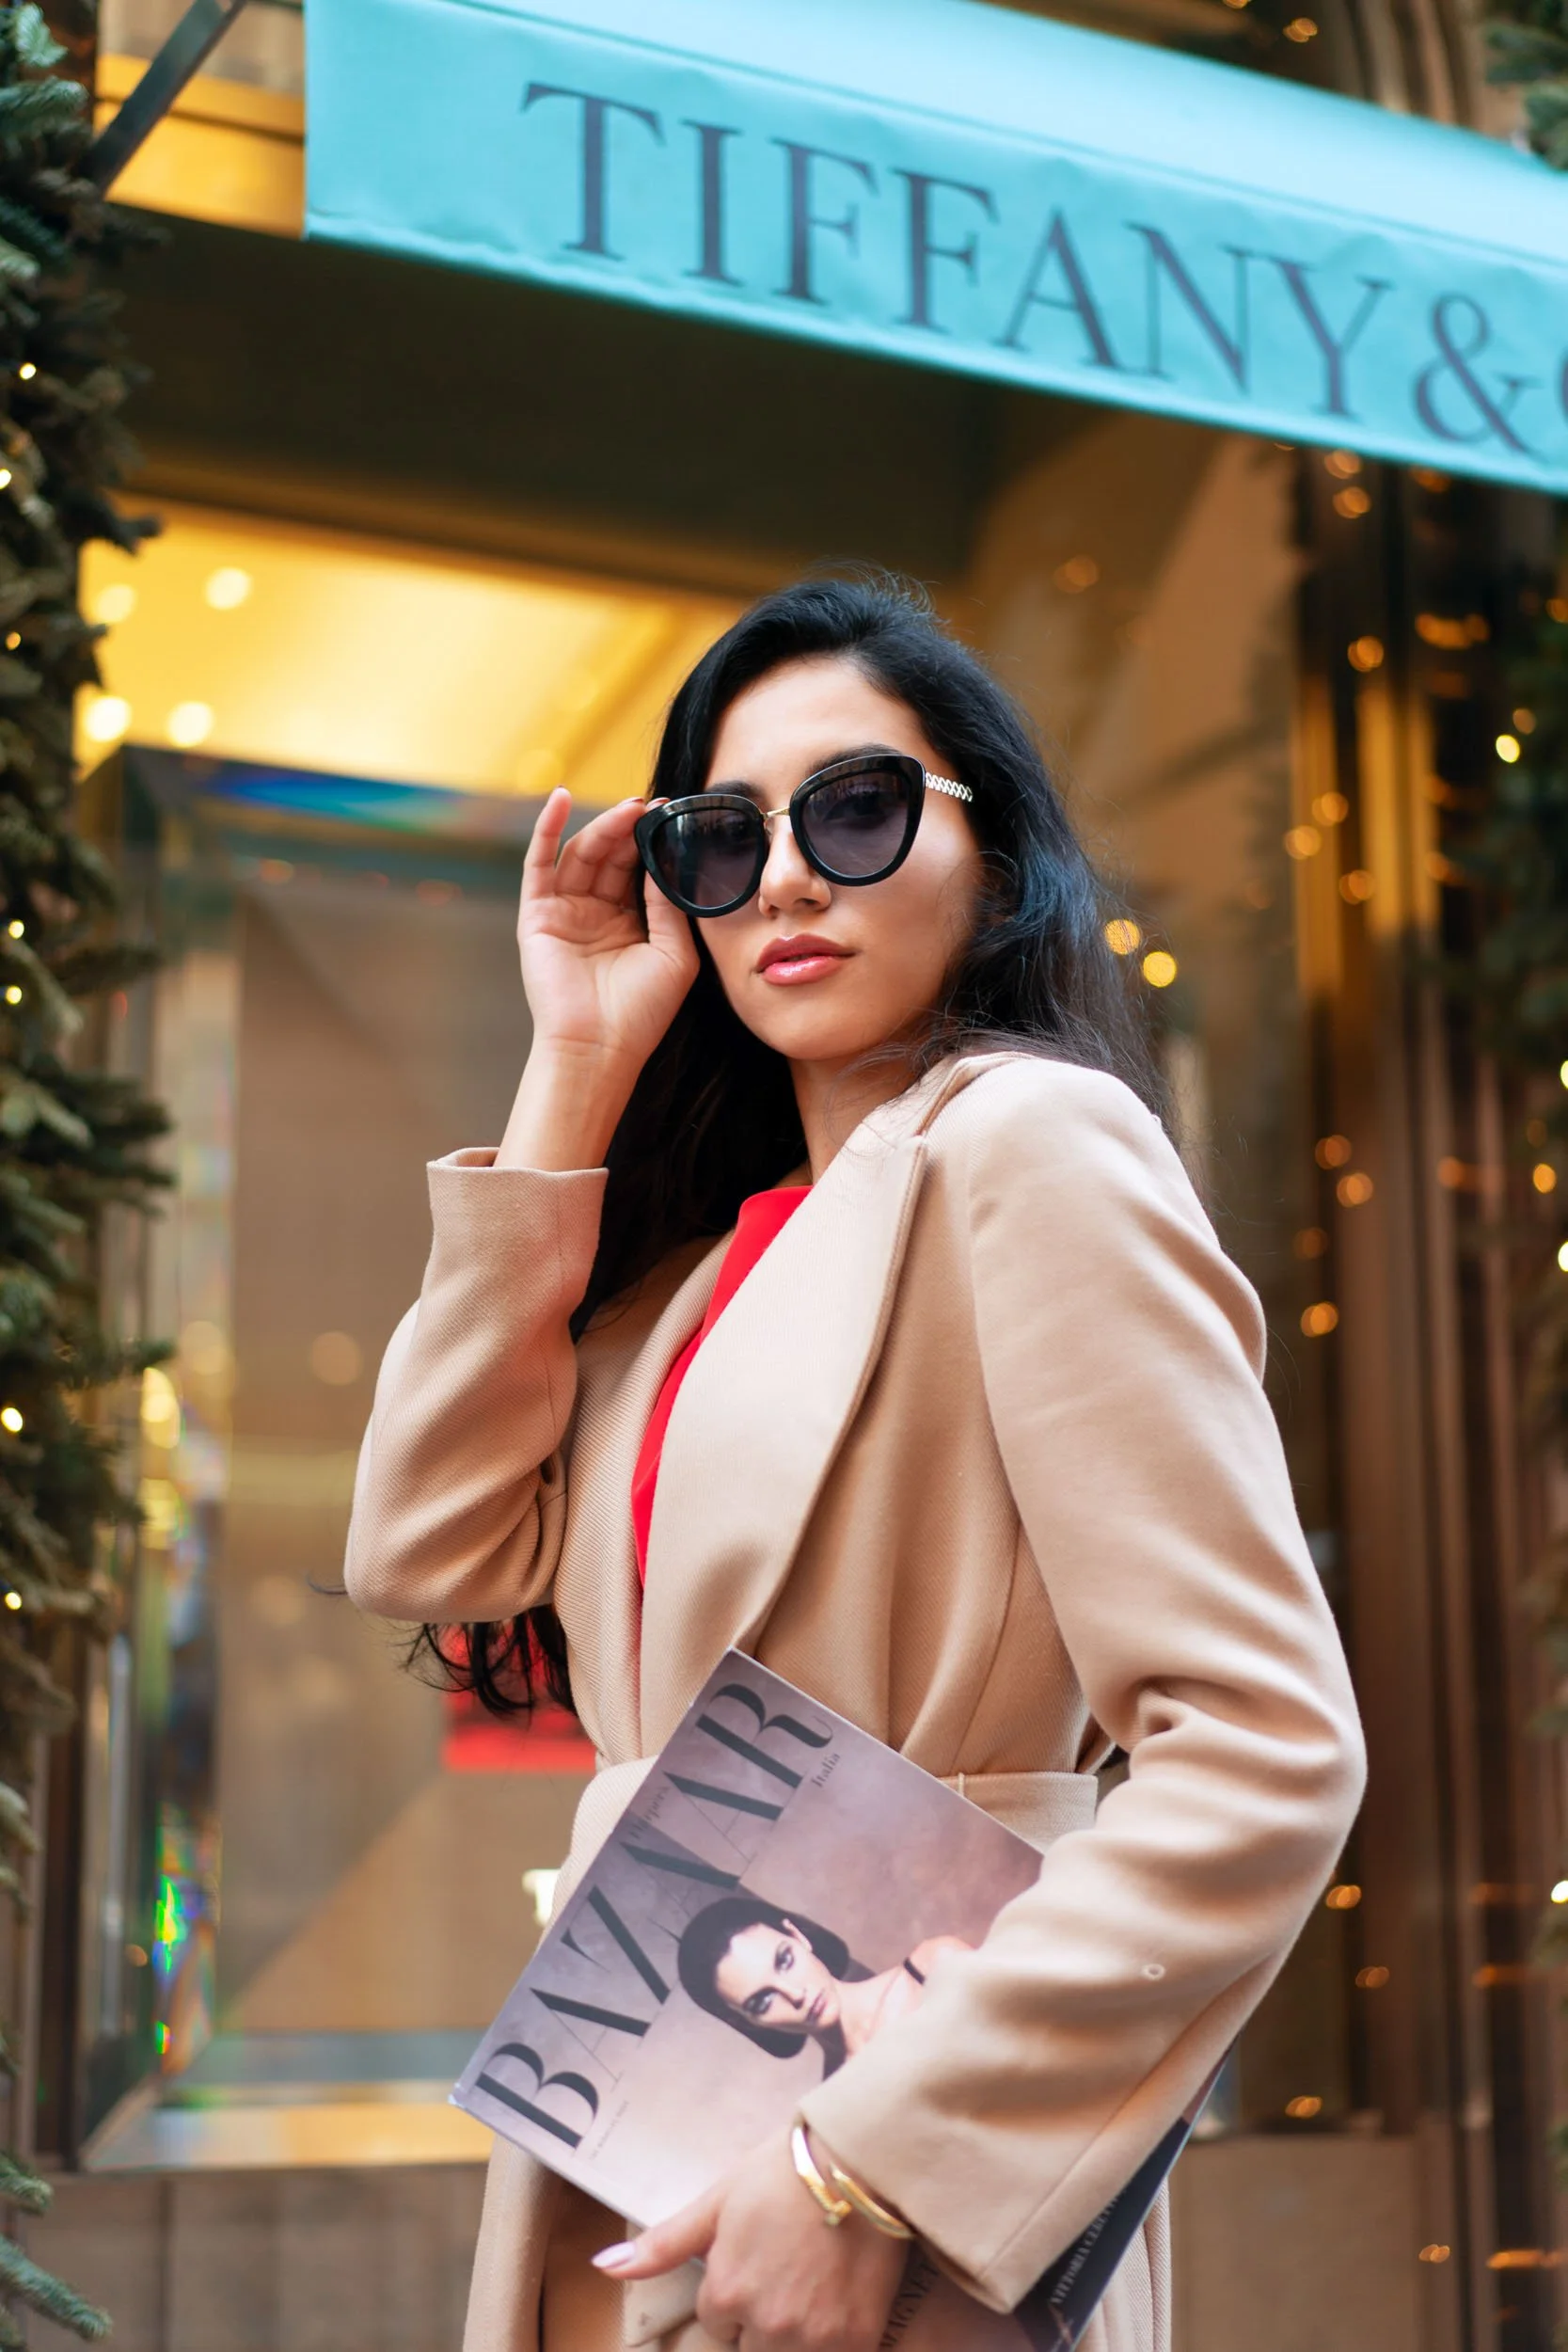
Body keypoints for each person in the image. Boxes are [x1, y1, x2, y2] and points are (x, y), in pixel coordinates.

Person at [344, 574, 1365, 2352]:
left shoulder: (1030, 1148)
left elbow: (1269, 1752)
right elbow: (428, 1549)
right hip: (636, 2134)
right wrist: (577, 1065)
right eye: (720, 839)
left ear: (991, 848)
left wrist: (868, 2164)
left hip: (894, 2171)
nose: (789, 876)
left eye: (858, 807)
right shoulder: (693, 1281)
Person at [674, 1892, 974, 2074]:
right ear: (747, 2022)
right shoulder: (833, 2107)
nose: (795, 1994)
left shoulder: (935, 1968)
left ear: (797, 1937)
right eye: (763, 2001)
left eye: (784, 1961)